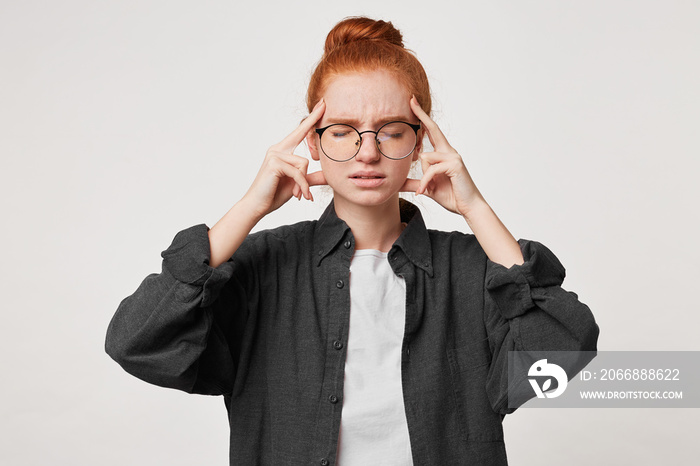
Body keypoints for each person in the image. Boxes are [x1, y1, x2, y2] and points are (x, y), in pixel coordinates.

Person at [105, 16, 599, 466]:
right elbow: (138, 343)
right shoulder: (261, 267)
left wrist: (477, 210)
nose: (367, 153)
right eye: (342, 132)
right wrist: (249, 208)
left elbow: (559, 359)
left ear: (420, 141)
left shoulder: (471, 270)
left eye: (391, 131)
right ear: (313, 142)